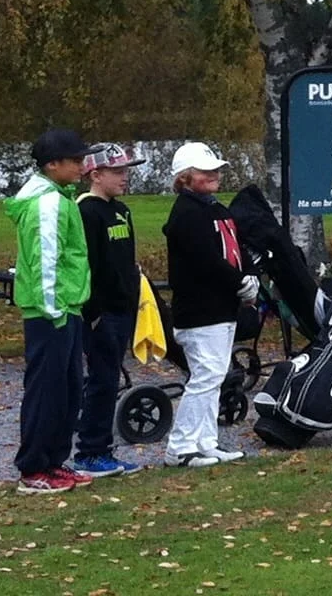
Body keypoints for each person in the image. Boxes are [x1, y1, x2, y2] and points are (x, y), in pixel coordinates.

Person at [7, 127, 96, 495]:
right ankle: (33, 467)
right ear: (52, 164)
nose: (82, 166)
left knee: (68, 388)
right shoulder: (48, 203)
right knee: (47, 389)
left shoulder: (60, 197)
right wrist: (53, 308)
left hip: (66, 306)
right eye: (74, 160)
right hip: (52, 311)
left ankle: (55, 461)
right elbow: (46, 259)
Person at [162, 141, 256, 468]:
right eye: (206, 171)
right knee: (206, 376)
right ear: (186, 177)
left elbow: (236, 248)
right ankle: (181, 446)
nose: (214, 174)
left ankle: (205, 442)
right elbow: (206, 261)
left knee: (214, 376)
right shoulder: (186, 215)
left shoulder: (215, 208)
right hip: (201, 311)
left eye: (216, 169)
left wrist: (249, 275)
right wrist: (238, 281)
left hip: (222, 307)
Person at [72, 142, 147, 478]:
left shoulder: (122, 211)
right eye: (117, 171)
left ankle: (102, 447)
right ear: (95, 174)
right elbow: (85, 266)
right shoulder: (86, 211)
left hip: (123, 308)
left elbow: (124, 259)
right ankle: (89, 451)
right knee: (101, 381)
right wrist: (94, 312)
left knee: (110, 378)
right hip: (101, 313)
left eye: (126, 171)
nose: (124, 177)